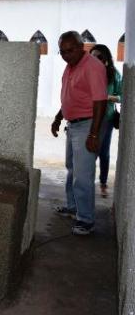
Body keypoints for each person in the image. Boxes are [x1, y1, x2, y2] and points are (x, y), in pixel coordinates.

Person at [51, 31, 107, 236]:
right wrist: (59, 117)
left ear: (81, 46)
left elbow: (99, 100)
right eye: (62, 52)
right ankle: (73, 206)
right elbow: (69, 95)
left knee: (83, 175)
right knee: (72, 169)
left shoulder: (92, 67)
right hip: (72, 125)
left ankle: (86, 219)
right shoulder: (70, 67)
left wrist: (93, 135)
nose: (66, 55)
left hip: (86, 126)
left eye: (70, 50)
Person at [90, 44, 122, 197]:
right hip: (87, 117)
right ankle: (87, 179)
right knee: (90, 151)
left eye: (99, 57)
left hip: (106, 118)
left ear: (107, 60)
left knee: (103, 151)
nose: (95, 59)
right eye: (92, 56)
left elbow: (122, 96)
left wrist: (108, 98)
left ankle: (103, 181)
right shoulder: (87, 72)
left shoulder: (114, 75)